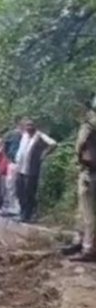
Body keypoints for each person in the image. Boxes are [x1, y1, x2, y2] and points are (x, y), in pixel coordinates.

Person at [14, 119, 57, 223]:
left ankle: (28, 215)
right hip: (20, 168)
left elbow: (53, 144)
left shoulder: (39, 136)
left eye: (30, 125)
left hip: (31, 169)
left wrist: (44, 154)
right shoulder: (24, 135)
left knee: (29, 192)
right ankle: (22, 212)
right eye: (27, 125)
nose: (28, 127)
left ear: (34, 127)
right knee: (20, 191)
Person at [69, 95, 96, 261]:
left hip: (90, 171)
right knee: (83, 212)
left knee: (87, 213)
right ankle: (80, 241)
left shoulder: (90, 124)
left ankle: (88, 248)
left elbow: (80, 144)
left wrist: (78, 157)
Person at [0, 120, 24, 216]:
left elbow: (4, 147)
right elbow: (5, 147)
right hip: (15, 162)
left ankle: (15, 207)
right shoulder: (17, 135)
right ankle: (13, 207)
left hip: (17, 163)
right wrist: (8, 158)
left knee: (13, 186)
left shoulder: (25, 136)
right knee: (11, 185)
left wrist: (8, 158)